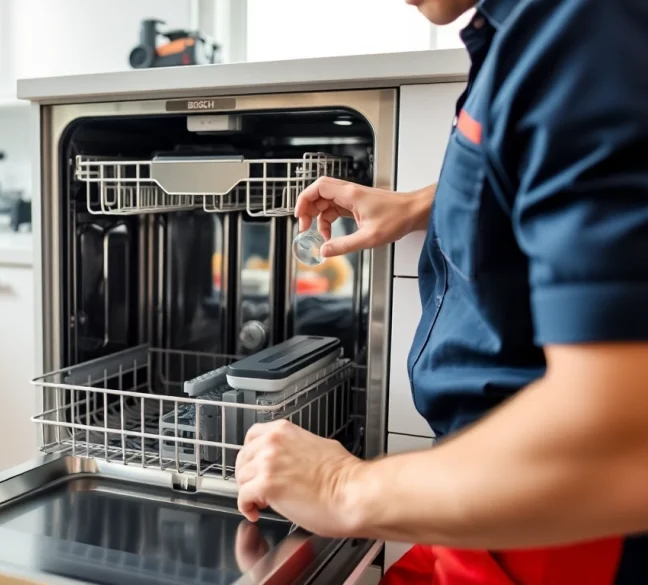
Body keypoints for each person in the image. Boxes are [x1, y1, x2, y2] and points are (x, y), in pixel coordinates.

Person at [233, 0, 648, 583]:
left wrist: (341, 486)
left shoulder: (587, 28)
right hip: (486, 495)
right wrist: (420, 205)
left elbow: (623, 443)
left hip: (559, 525)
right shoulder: (533, 30)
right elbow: (537, 151)